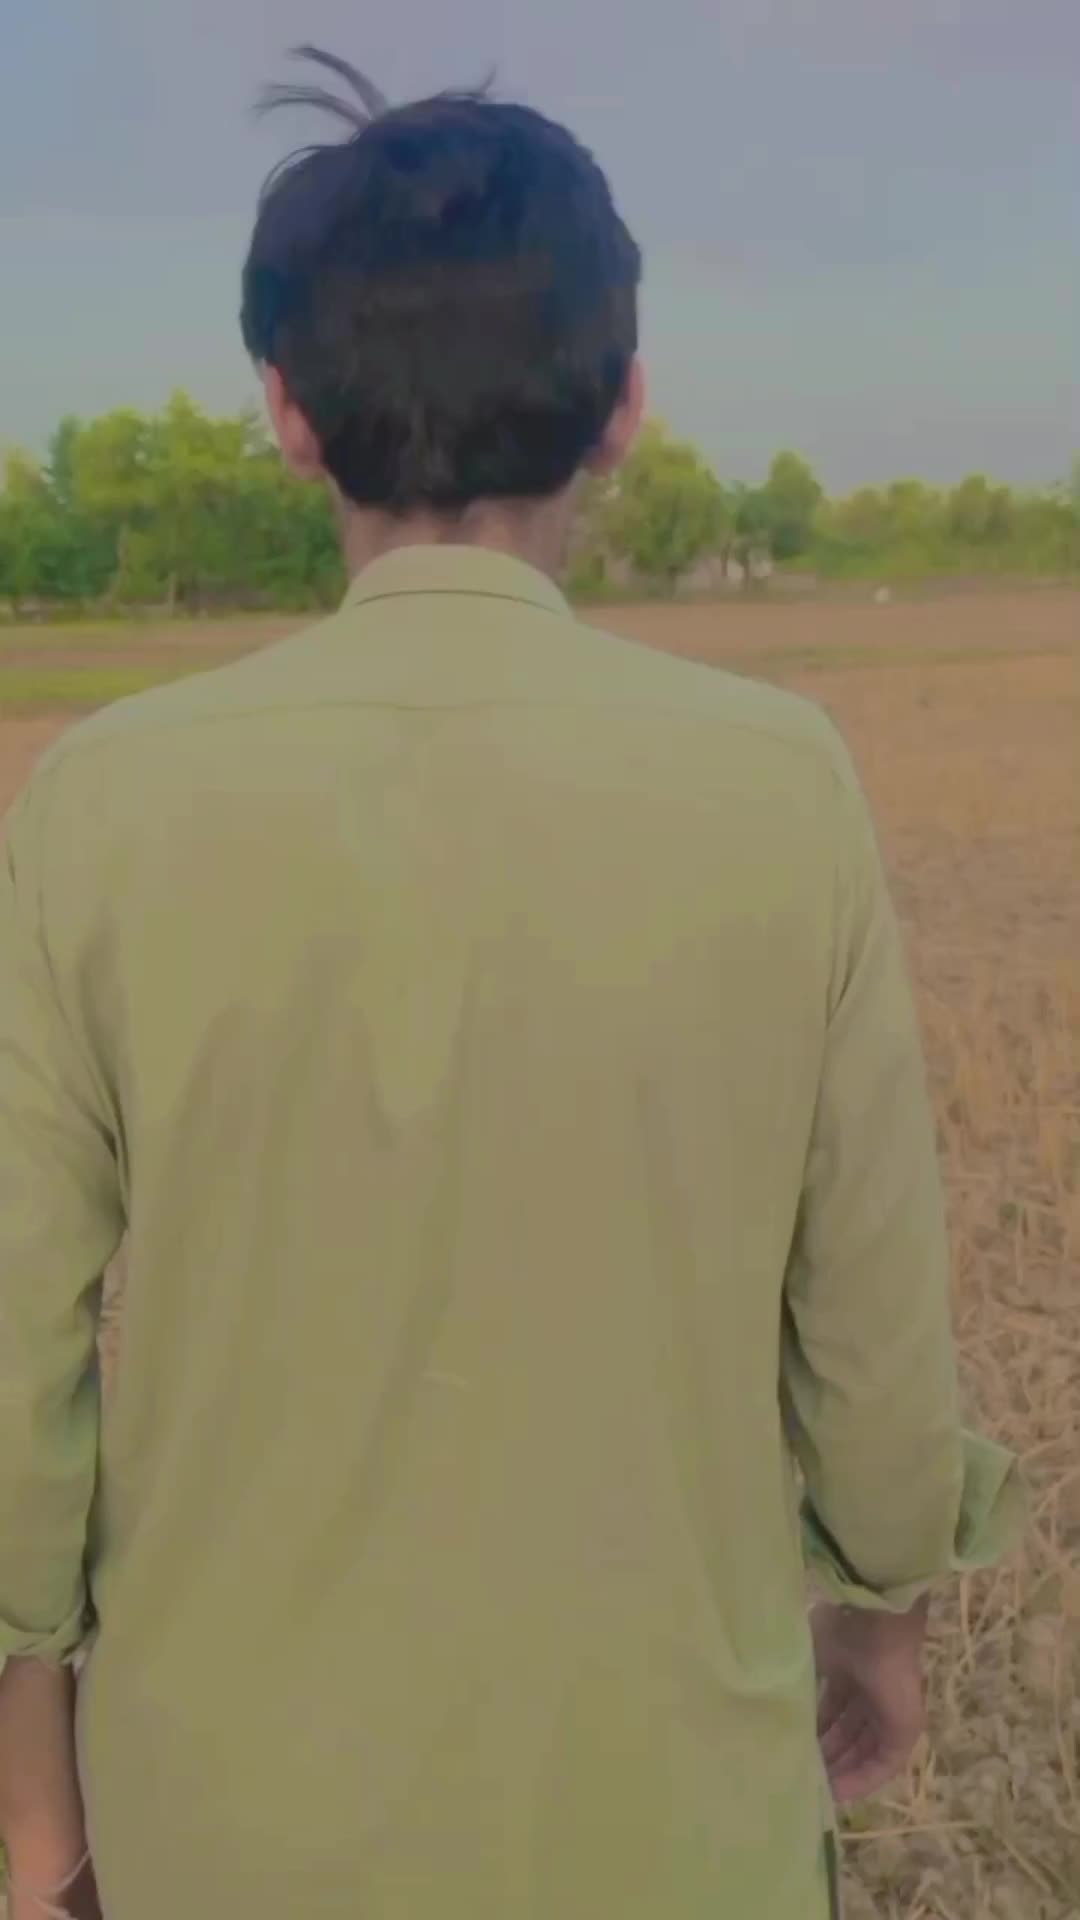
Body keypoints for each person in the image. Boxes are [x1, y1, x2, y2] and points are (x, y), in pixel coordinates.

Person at [0, 49, 1021, 1920]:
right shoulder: (777, 785)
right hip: (672, 1822)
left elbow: (14, 1359)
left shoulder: (102, 804)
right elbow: (875, 1318)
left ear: (287, 412)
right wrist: (884, 1610)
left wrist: (37, 1811)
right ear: (623, 407)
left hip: (225, 1830)